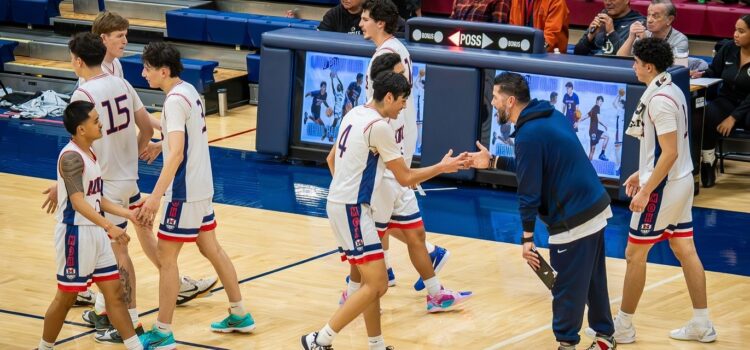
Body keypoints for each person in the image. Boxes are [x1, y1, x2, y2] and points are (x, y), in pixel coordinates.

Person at [41, 11, 216, 313]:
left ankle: (117, 307)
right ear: (101, 40)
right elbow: (140, 123)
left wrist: (70, 184)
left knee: (113, 243)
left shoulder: (93, 84)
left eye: (126, 34)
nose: (126, 40)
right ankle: (148, 286)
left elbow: (81, 145)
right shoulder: (112, 81)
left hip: (107, 177)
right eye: (120, 35)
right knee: (133, 232)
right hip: (122, 174)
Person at [301, 71, 467, 350]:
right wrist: (442, 167)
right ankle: (319, 340)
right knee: (377, 284)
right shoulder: (379, 127)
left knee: (373, 282)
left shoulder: (354, 112)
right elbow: (405, 178)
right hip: (351, 208)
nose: (403, 106)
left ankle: (376, 345)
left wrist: (344, 191)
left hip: (347, 205)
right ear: (389, 96)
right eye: (402, 101)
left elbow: (331, 159)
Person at [468, 72, 616, 350]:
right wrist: (493, 161)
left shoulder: (529, 134)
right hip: (595, 206)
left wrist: (526, 238)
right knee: (593, 279)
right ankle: (605, 336)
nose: (492, 102)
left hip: (574, 216)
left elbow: (529, 191)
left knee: (566, 287)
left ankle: (566, 344)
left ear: (510, 101)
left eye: (496, 97)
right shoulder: (550, 116)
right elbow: (532, 167)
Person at [136, 42, 256, 348]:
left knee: (166, 259)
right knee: (211, 248)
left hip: (184, 191)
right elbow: (181, 139)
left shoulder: (173, 102)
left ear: (163, 71)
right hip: (202, 186)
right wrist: (160, 144)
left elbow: (177, 154)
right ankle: (239, 313)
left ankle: (162, 331)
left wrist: (155, 197)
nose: (143, 73)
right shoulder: (188, 90)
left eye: (147, 68)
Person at [606, 37, 717, 345]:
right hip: (680, 181)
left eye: (636, 62)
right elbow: (670, 149)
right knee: (684, 249)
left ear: (649, 66)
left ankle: (624, 326)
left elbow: (668, 153)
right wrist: (639, 172)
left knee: (633, 254)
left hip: (665, 186)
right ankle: (702, 323)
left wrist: (645, 189)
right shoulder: (672, 88)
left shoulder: (658, 100)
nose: (633, 66)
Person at [357, 0, 467, 303]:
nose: (360, 24)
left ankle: (356, 290)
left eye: (365, 19)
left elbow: (377, 110)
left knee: (373, 224)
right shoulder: (400, 49)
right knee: (401, 225)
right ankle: (412, 274)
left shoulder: (384, 58)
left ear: (380, 23)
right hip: (399, 145)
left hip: (387, 152)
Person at [39, 100, 143, 350]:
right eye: (95, 120)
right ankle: (44, 348)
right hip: (74, 235)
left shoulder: (90, 153)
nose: (101, 124)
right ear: (81, 129)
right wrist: (110, 226)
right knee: (66, 297)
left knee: (115, 294)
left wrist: (127, 214)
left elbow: (96, 198)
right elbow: (78, 202)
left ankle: (136, 347)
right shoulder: (72, 158)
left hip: (95, 233)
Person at [691, 15, 750, 188]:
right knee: (706, 115)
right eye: (735, 30)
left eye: (741, 31)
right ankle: (708, 161)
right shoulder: (728, 48)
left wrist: (733, 118)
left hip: (748, 104)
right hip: (728, 99)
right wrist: (700, 76)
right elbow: (714, 72)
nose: (735, 35)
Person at [616, 0, 689, 58]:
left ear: (669, 19)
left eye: (655, 16)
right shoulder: (644, 34)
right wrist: (631, 37)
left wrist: (645, 43)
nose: (649, 20)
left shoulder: (680, 40)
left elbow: (674, 68)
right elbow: (620, 59)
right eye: (648, 15)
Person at [574, 0, 644, 56]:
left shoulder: (638, 24)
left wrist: (611, 32)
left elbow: (624, 58)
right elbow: (577, 53)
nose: (607, 2)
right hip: (590, 68)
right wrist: (589, 37)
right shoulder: (602, 18)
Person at [318, 0, 405, 35]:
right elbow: (319, 39)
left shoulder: (380, 9)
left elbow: (403, 32)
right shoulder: (333, 14)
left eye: (366, 20)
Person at [578, 96, 610, 161]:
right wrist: (605, 125)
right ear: (597, 101)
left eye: (602, 102)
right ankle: (601, 154)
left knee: (592, 150)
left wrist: (578, 121)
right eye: (600, 101)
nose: (601, 103)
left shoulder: (593, 108)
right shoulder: (597, 107)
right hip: (594, 132)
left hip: (593, 131)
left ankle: (589, 165)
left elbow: (586, 116)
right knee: (606, 137)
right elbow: (599, 120)